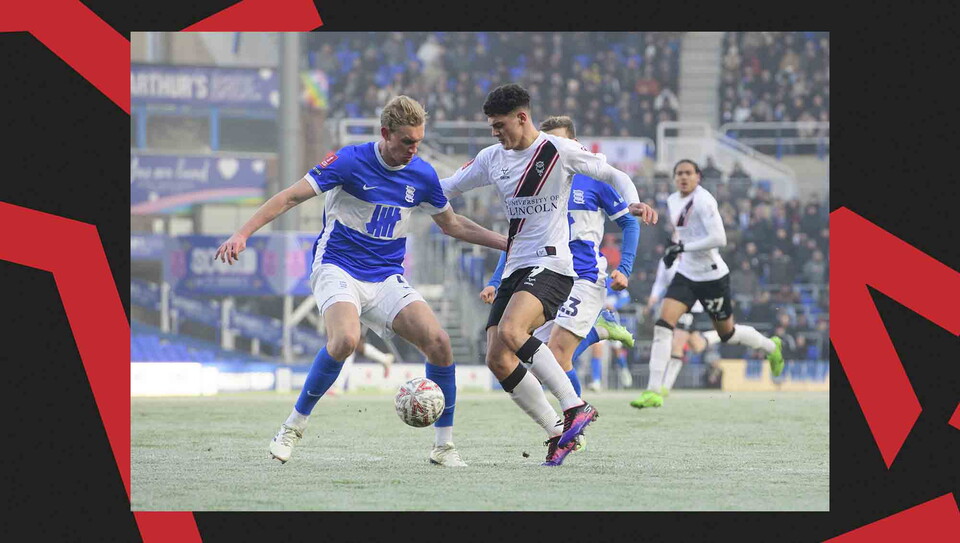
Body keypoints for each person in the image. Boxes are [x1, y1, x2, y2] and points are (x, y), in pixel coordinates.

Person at [215, 96, 507, 467]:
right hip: (338, 267)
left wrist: (504, 242)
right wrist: (243, 233)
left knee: (439, 342)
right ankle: (292, 427)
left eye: (418, 141)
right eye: (406, 142)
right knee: (345, 340)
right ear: (385, 134)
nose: (413, 150)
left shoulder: (422, 174)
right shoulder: (349, 162)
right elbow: (290, 197)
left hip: (385, 276)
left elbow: (452, 224)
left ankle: (444, 447)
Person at [441, 85, 657, 466]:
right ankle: (557, 432)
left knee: (513, 333)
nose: (495, 132)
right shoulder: (492, 158)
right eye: (491, 126)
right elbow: (449, 187)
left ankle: (576, 406)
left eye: (499, 124)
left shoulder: (559, 151)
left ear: (522, 118)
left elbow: (613, 175)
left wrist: (633, 200)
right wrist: (403, 189)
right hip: (515, 267)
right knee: (497, 358)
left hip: (554, 264)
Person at [480, 115, 640, 397]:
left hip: (583, 277)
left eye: (559, 141)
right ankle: (597, 331)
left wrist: (624, 268)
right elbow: (522, 240)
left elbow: (629, 222)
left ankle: (574, 426)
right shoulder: (535, 185)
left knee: (556, 354)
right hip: (544, 276)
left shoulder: (593, 179)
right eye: (547, 142)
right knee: (529, 356)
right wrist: (496, 280)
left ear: (574, 144)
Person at [630, 159, 783, 409]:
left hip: (712, 276)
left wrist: (682, 247)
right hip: (687, 274)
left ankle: (770, 346)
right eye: (679, 173)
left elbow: (719, 238)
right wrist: (675, 249)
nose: (683, 177)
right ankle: (653, 391)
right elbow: (684, 234)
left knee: (728, 334)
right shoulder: (672, 201)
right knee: (663, 325)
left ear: (698, 177)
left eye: (688, 173)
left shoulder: (705, 200)